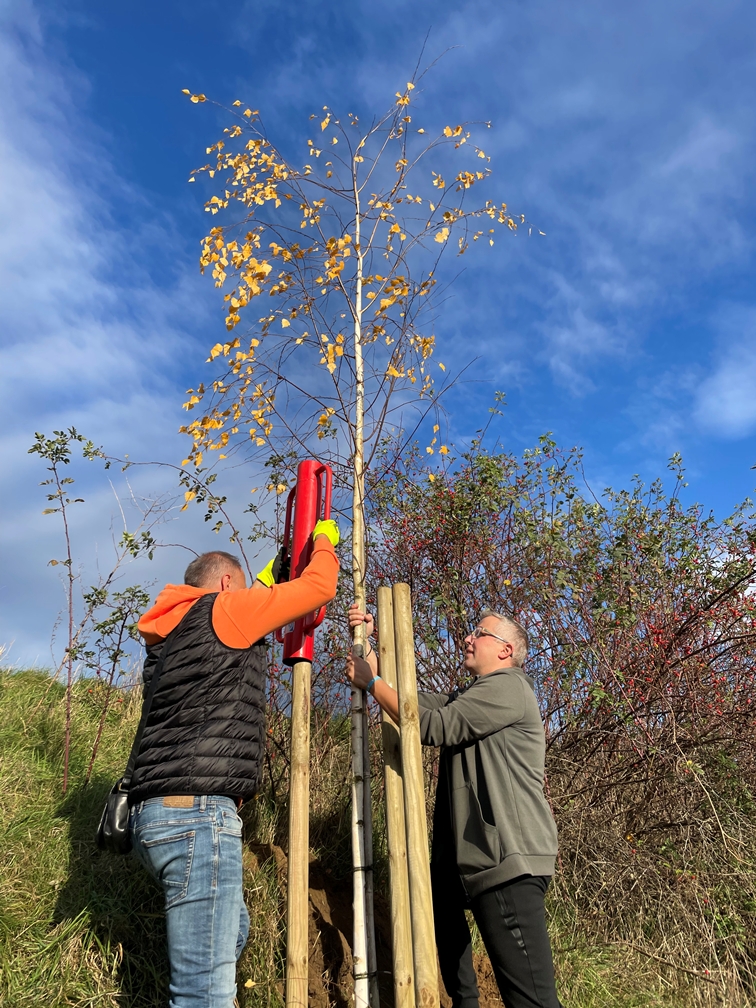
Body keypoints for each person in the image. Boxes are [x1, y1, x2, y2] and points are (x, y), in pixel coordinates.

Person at [129, 520, 340, 1008]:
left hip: (155, 816)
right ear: (226, 585)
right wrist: (325, 538)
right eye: (244, 589)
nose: (253, 599)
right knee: (204, 995)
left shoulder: (171, 629)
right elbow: (318, 587)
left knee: (230, 935)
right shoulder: (225, 609)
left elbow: (264, 589)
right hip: (197, 816)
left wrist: (278, 563)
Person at [346, 605, 562, 1008]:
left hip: (508, 862)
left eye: (479, 633)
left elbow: (433, 725)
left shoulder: (509, 686)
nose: (467, 637)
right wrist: (372, 648)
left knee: (533, 1001)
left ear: (505, 650)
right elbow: (413, 700)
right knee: (439, 896)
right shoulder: (473, 696)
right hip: (474, 862)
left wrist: (372, 682)